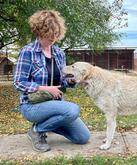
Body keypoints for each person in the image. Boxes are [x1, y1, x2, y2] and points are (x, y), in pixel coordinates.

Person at [13, 10, 90, 152]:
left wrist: (73, 81)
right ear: (40, 31)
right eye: (50, 33)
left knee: (82, 137)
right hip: (32, 106)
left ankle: (49, 124)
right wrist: (46, 89)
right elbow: (18, 82)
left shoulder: (59, 53)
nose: (54, 37)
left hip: (56, 105)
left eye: (56, 33)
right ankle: (37, 130)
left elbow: (63, 82)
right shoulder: (28, 51)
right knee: (73, 110)